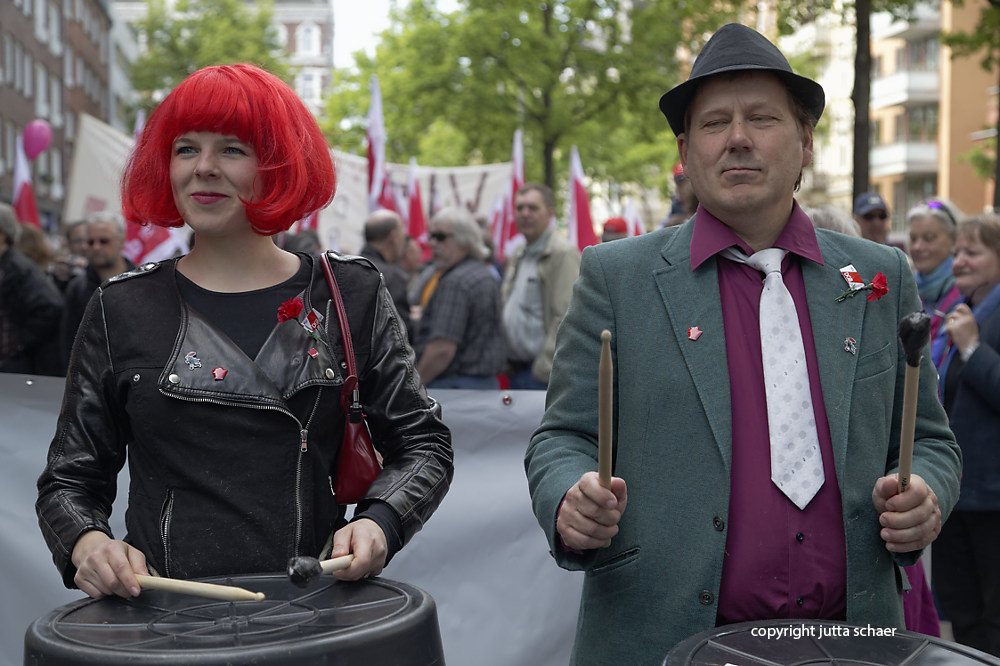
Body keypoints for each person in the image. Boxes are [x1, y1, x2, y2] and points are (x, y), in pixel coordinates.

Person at [524, 24, 961, 664]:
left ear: (806, 141)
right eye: (714, 123)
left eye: (762, 118)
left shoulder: (877, 277)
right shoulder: (616, 278)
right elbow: (562, 436)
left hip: (855, 640)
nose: (737, 138)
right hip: (663, 638)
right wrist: (568, 495)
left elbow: (929, 438)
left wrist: (926, 491)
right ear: (685, 149)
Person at [36, 63, 453, 600]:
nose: (203, 168)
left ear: (280, 165)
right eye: (186, 148)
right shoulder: (120, 306)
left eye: (232, 149)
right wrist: (87, 542)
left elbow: (422, 443)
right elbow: (68, 479)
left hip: (315, 617)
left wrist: (380, 521)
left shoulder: (350, 293)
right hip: (167, 624)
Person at [930, 213, 1000, 657]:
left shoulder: (975, 323)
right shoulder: (964, 309)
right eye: (956, 252)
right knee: (962, 611)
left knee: (993, 615)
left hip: (994, 497)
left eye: (972, 252)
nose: (959, 261)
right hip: (961, 490)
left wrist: (973, 348)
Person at [414, 206, 504, 389]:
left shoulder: (455, 282)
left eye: (440, 237)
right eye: (431, 236)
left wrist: (414, 388)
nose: (431, 243)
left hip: (454, 388)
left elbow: (442, 350)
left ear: (464, 240)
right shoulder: (483, 273)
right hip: (482, 387)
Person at [501, 184, 580, 389]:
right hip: (516, 370)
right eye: (520, 208)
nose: (525, 214)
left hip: (540, 376)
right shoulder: (519, 252)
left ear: (550, 213)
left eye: (533, 208)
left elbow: (566, 316)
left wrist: (543, 369)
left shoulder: (562, 254)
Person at [60, 213, 135, 370]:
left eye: (104, 241)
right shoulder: (77, 288)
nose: (96, 247)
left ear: (121, 242)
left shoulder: (141, 284)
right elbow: (69, 343)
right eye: (90, 242)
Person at [0, 205, 64, 375]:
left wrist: (19, 342)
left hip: (10, 365)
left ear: (2, 234)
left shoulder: (17, 267)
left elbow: (51, 305)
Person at [907, 199, 964, 349]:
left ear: (954, 239)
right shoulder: (908, 288)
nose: (918, 247)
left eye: (929, 238)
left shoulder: (966, 290)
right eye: (913, 239)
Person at [360, 209, 412, 338]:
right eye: (402, 235)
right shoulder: (392, 277)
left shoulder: (345, 267)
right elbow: (401, 332)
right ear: (393, 237)